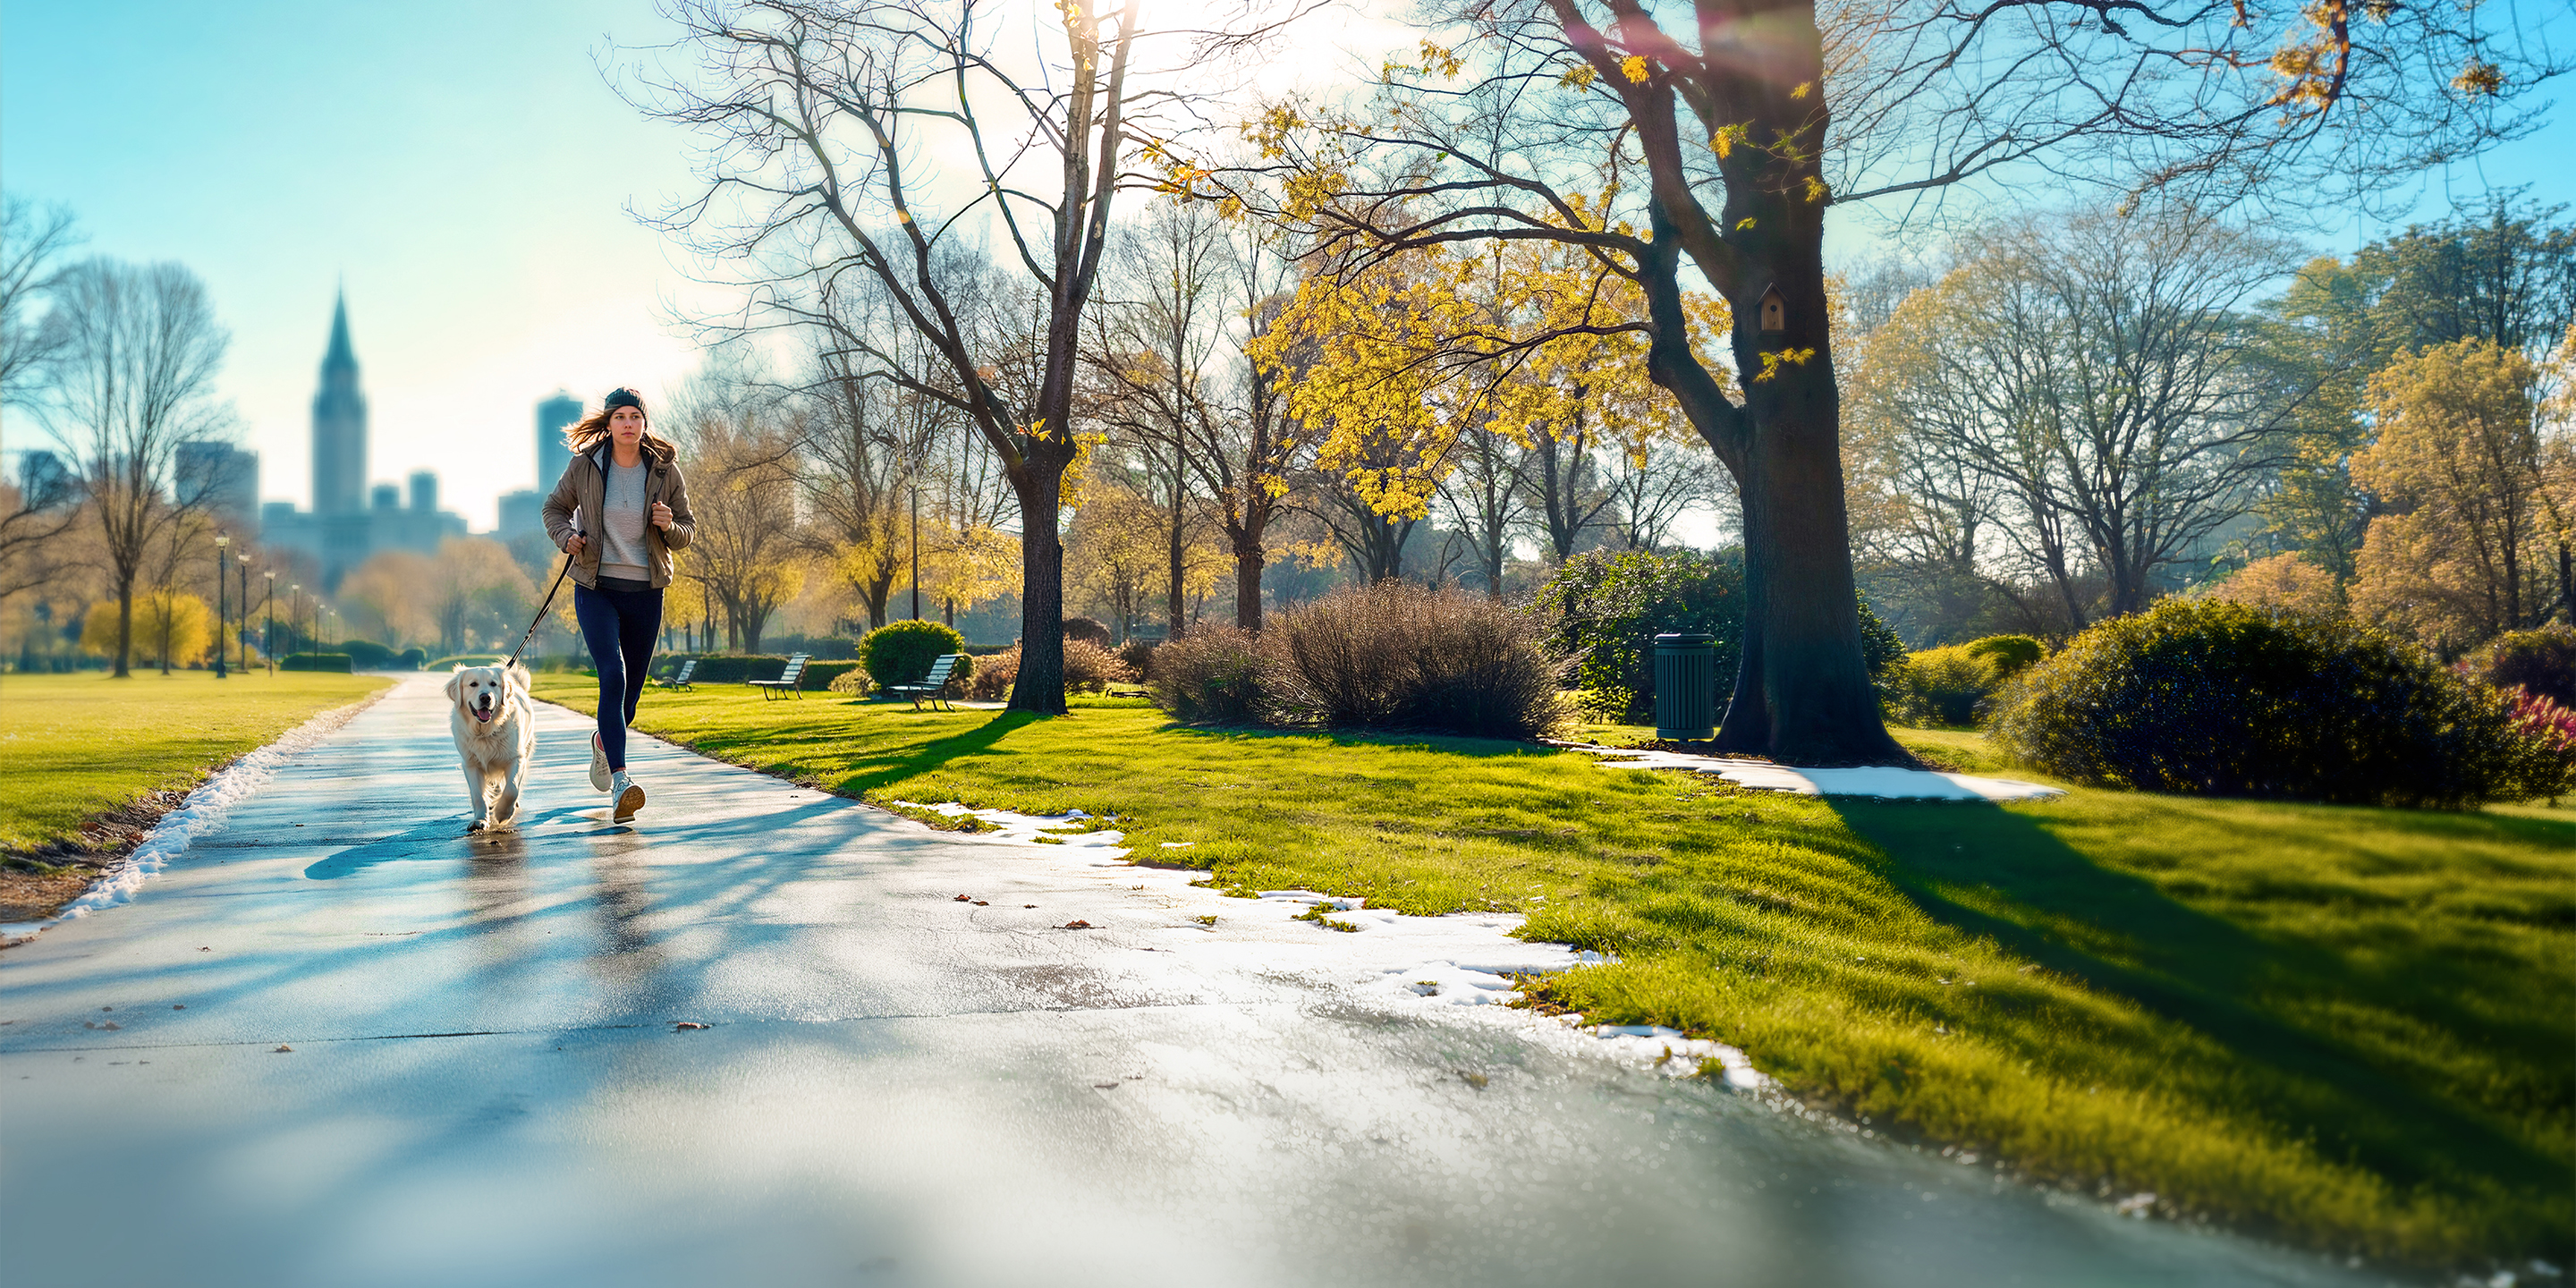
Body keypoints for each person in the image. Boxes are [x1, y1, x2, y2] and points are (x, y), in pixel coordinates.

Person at [540, 387, 694, 822]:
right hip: (596, 586)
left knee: (629, 700)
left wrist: (670, 526)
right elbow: (553, 509)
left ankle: (604, 743)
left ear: (644, 423)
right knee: (613, 672)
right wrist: (566, 538)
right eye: (620, 416)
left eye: (635, 416)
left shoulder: (666, 473)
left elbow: (688, 530)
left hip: (646, 590)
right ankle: (622, 782)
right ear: (608, 423)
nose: (628, 423)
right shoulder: (585, 466)